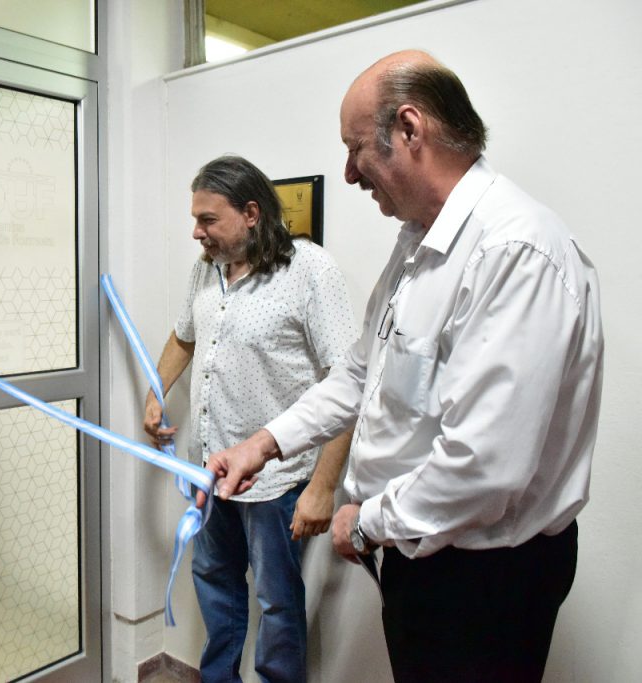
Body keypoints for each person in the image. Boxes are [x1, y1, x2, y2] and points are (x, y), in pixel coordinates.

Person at [202, 51, 603, 683]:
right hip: (421, 554)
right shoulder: (421, 241)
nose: (349, 172)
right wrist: (264, 443)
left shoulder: (514, 252)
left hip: (484, 578)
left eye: (356, 148)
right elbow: (361, 376)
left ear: (410, 130)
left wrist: (366, 522)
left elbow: (486, 468)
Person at [144, 155, 357, 682]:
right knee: (215, 588)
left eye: (208, 220)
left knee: (278, 605)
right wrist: (156, 390)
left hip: (276, 481)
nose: (197, 232)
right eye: (196, 219)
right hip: (211, 469)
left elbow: (349, 383)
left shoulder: (310, 271)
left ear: (252, 213)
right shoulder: (205, 269)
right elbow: (183, 335)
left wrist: (322, 487)